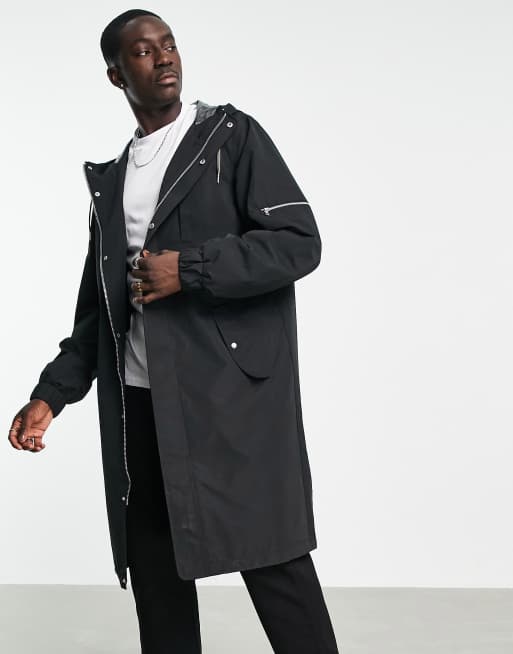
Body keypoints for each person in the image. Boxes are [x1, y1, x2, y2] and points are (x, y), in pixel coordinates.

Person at [8, 9, 340, 653]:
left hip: (228, 399)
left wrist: (188, 269)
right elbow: (99, 310)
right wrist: (51, 395)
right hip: (141, 404)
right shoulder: (112, 181)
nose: (163, 57)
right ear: (116, 75)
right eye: (142, 50)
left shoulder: (231, 137)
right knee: (156, 574)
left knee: (273, 559)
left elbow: (299, 243)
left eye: (168, 44)